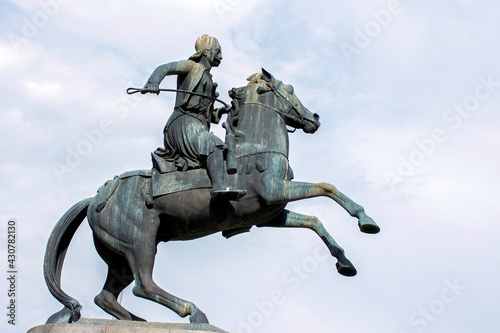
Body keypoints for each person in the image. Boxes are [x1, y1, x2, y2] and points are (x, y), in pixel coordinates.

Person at [142, 35, 246, 201]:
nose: (220, 57)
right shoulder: (191, 66)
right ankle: (219, 185)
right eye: (217, 52)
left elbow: (206, 114)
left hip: (198, 124)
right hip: (182, 122)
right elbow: (164, 68)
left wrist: (219, 112)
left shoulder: (209, 79)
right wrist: (153, 82)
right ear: (206, 51)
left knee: (219, 146)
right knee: (213, 144)